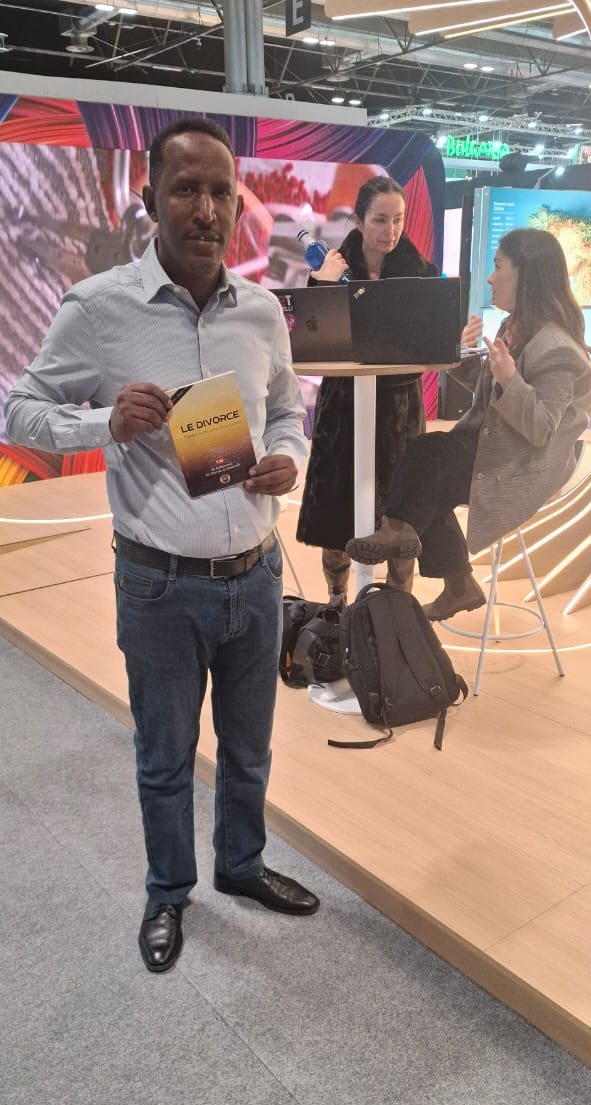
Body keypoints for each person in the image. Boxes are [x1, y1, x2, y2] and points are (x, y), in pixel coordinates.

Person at [5, 117, 319, 975]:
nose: (207, 209)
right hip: (159, 585)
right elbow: (19, 409)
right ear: (149, 199)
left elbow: (285, 411)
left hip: (255, 576)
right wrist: (104, 423)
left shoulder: (262, 312)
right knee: (164, 756)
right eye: (186, 189)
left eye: (221, 192)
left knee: (249, 750)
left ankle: (241, 865)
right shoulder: (99, 308)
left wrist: (286, 456)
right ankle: (168, 890)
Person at [345, 228, 591, 622]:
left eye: (498, 266)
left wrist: (510, 379)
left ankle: (400, 531)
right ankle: (454, 581)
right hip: (494, 445)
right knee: (426, 482)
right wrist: (463, 354)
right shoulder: (514, 326)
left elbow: (543, 429)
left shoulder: (557, 348)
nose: (490, 278)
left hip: (522, 464)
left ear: (526, 275)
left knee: (426, 455)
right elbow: (490, 397)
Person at [295, 175, 439, 602]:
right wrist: (322, 284)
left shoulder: (421, 275)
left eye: (398, 219)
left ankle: (398, 611)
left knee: (401, 513)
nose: (390, 230)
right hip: (343, 406)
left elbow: (431, 340)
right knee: (339, 510)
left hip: (400, 409)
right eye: (379, 219)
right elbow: (310, 335)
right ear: (358, 220)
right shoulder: (332, 265)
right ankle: (337, 602)